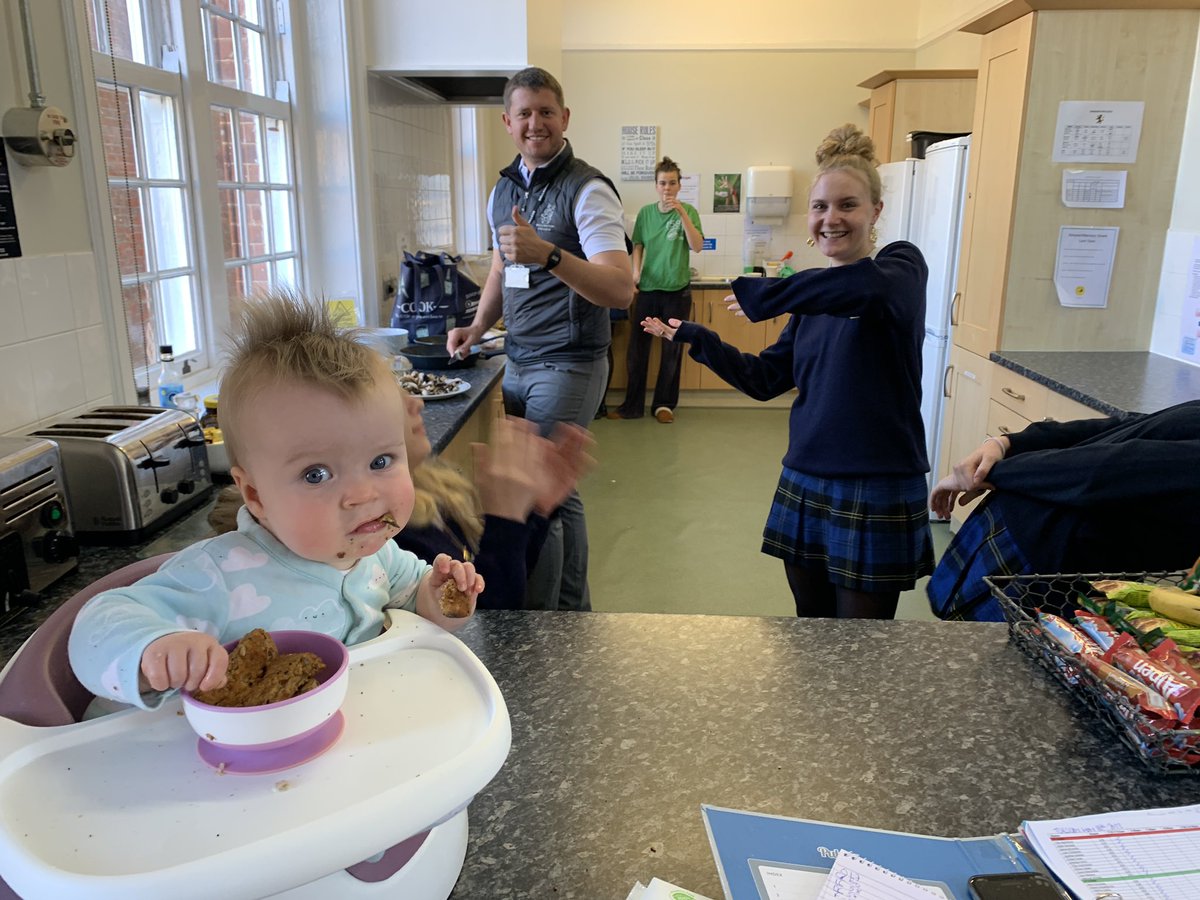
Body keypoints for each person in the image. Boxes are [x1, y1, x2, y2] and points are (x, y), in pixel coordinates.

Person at [68, 293, 483, 709]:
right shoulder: (218, 576)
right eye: (316, 474)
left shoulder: (380, 558)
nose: (363, 495)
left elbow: (414, 605)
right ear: (255, 496)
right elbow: (95, 625)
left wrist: (438, 597)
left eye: (380, 461)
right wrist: (156, 648)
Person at [640, 124, 933, 619]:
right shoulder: (809, 302)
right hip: (806, 474)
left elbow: (864, 290)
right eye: (820, 207)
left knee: (860, 650)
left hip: (875, 481)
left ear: (876, 211)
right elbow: (764, 380)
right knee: (810, 633)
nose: (831, 219)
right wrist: (699, 338)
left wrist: (768, 293)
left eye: (848, 205)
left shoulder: (901, 268)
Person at [445, 66, 634, 612]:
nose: (536, 123)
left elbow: (620, 289)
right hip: (520, 357)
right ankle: (573, 612)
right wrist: (478, 328)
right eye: (524, 113)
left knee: (531, 496)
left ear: (565, 118)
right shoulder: (503, 190)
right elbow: (504, 271)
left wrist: (549, 254)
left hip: (570, 361)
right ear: (508, 122)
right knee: (556, 492)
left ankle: (540, 622)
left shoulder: (589, 189)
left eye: (546, 111)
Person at [208, 393, 595, 609]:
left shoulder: (429, 491)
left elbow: (496, 577)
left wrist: (533, 512)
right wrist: (507, 519)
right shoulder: (376, 537)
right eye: (392, 393)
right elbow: (485, 628)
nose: (416, 401)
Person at [928, 400, 1200, 621]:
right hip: (1038, 548)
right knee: (967, 657)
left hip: (1051, 552)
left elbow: (1106, 470)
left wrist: (998, 471)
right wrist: (1006, 444)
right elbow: (1124, 429)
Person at [610, 156, 704, 423]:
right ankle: (633, 406)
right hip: (649, 291)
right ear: (656, 185)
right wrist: (636, 272)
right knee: (637, 351)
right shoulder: (646, 214)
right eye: (663, 183)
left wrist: (682, 213)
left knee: (671, 351)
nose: (667, 188)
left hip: (677, 291)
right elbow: (638, 245)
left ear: (679, 185)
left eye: (672, 183)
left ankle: (664, 405)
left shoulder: (689, 212)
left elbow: (696, 245)